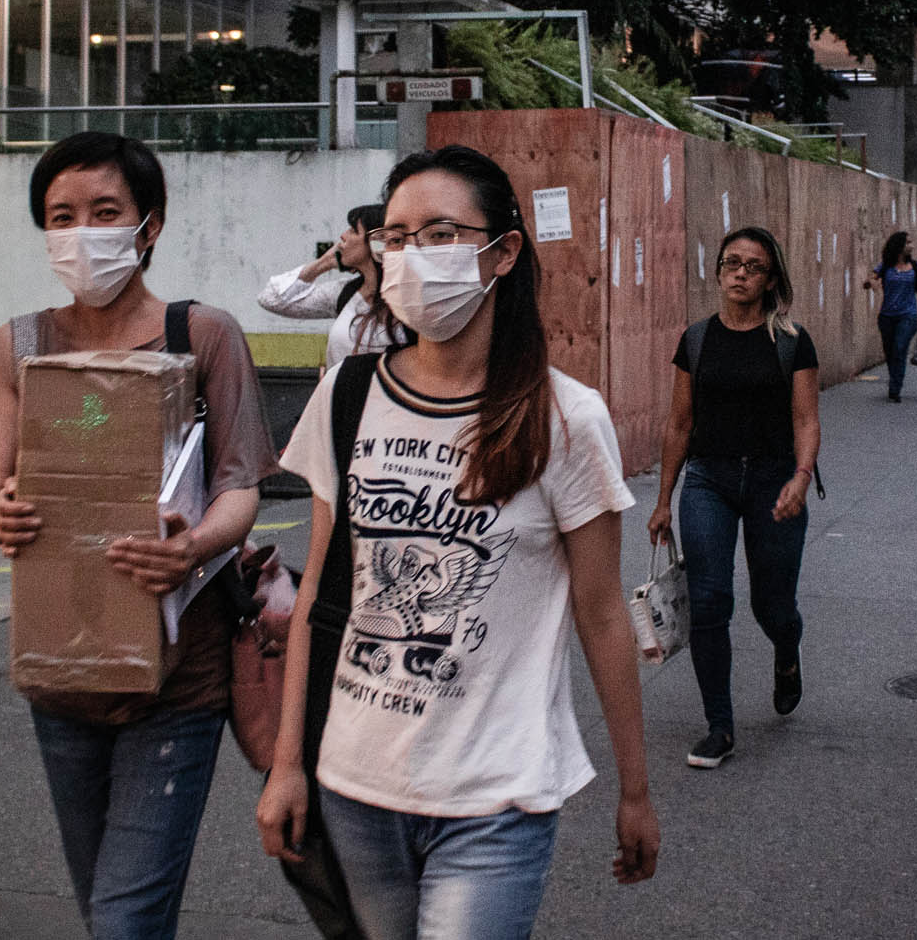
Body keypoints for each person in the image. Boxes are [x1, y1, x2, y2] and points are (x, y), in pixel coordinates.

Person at [258, 145, 659, 936]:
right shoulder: (346, 395)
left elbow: (603, 613)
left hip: (494, 793)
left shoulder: (564, 419)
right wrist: (287, 765)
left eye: (439, 234)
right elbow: (319, 592)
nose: (411, 257)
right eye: (396, 238)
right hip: (354, 779)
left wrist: (635, 790)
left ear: (503, 252)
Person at [0, 131, 279, 940]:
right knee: (105, 909)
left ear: (149, 226)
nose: (81, 233)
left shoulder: (202, 335)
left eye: (104, 212)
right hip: (60, 672)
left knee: (124, 921)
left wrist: (194, 547)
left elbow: (240, 484)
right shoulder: (17, 346)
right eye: (60, 216)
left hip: (177, 677)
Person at [648, 227, 823, 769]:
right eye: (732, 263)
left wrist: (801, 475)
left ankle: (787, 647)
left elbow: (805, 418)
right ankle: (719, 726)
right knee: (709, 601)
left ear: (771, 280)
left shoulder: (792, 341)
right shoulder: (697, 340)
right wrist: (662, 500)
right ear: (719, 271)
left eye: (754, 266)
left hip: (775, 482)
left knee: (771, 605)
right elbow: (679, 425)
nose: (741, 273)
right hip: (709, 481)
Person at [257, 203, 393, 373]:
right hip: (339, 397)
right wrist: (325, 262)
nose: (343, 236)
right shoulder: (344, 293)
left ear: (376, 243)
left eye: (353, 230)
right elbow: (270, 299)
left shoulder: (404, 301)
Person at [861, 230, 917, 401]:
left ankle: (895, 387)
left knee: (900, 348)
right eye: (908, 243)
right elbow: (871, 277)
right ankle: (895, 379)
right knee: (890, 351)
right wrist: (869, 283)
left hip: (907, 316)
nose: (911, 246)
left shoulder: (915, 267)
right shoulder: (885, 266)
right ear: (899, 246)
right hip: (886, 317)